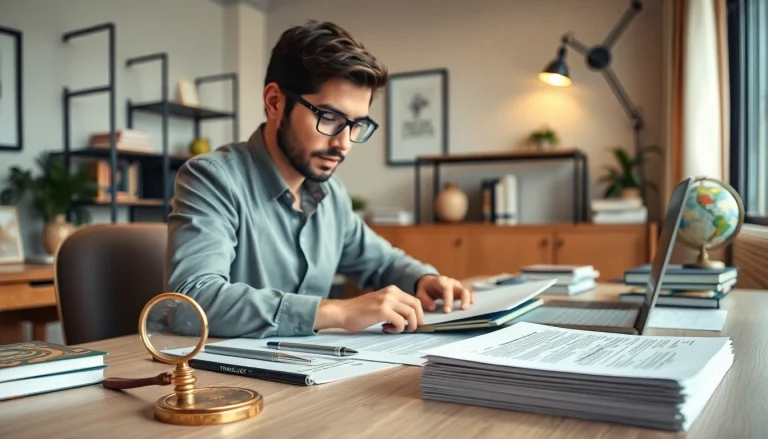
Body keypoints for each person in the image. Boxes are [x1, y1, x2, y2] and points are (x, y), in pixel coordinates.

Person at [165, 20, 473, 339]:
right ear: (274, 102)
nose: (343, 143)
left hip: (315, 373)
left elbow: (382, 262)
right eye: (330, 118)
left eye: (357, 125)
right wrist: (336, 311)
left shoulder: (332, 195)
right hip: (229, 382)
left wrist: (424, 279)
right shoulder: (212, 179)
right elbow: (190, 303)